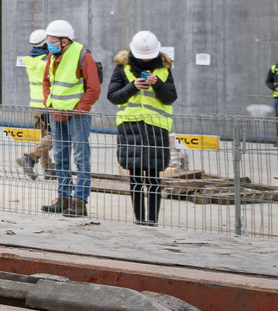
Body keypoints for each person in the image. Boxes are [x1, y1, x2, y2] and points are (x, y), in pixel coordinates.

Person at [107, 33, 177, 226]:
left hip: (156, 129)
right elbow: (113, 97)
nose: (146, 59)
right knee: (136, 178)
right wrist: (132, 87)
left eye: (149, 56)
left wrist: (158, 84)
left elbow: (170, 97)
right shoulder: (122, 68)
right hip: (130, 128)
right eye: (142, 56)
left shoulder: (164, 69)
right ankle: (139, 220)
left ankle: (152, 221)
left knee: (154, 178)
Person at [40, 19, 100, 217]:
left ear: (65, 41)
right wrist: (48, 102)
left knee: (81, 159)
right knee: (61, 157)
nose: (49, 44)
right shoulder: (51, 55)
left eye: (53, 40)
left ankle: (80, 201)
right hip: (57, 114)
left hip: (77, 116)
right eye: (48, 40)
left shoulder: (83, 55)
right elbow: (46, 81)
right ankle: (64, 197)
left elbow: (94, 88)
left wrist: (80, 109)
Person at [16, 28, 55, 179]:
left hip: (35, 105)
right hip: (47, 104)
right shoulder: (46, 62)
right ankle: (29, 157)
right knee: (55, 136)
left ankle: (48, 169)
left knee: (44, 137)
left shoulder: (30, 61)